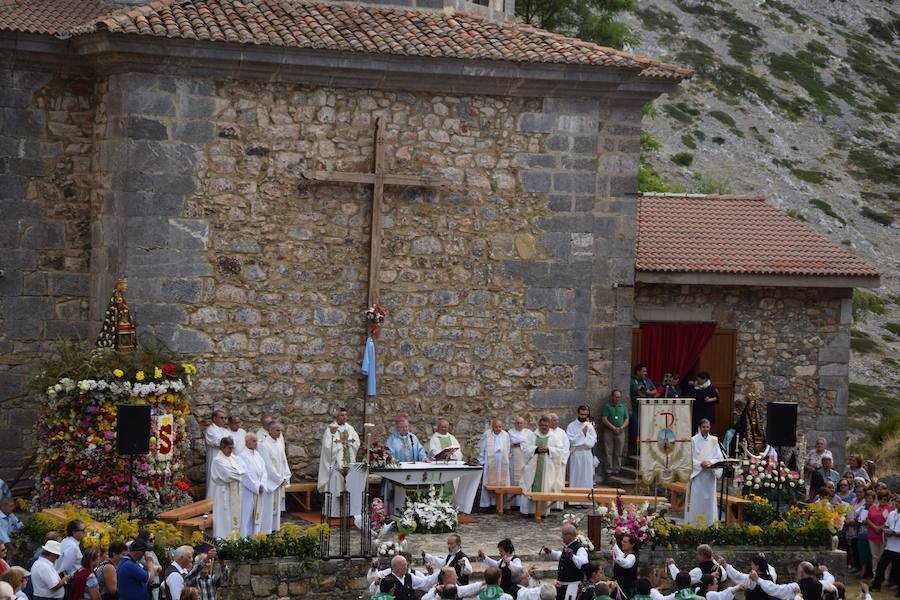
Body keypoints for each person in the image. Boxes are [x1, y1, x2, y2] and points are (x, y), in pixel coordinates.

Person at [317, 408, 361, 518]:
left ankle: (348, 512)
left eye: (346, 415)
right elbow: (328, 447)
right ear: (336, 417)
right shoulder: (331, 430)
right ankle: (334, 512)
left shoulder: (350, 428)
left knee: (349, 485)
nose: (344, 417)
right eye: (342, 415)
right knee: (336, 485)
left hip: (348, 462)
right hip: (336, 465)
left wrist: (349, 443)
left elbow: (356, 442)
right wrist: (340, 445)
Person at [519, 416, 565, 517]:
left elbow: (560, 450)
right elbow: (525, 449)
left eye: (546, 425)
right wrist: (536, 449)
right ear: (538, 425)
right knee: (530, 485)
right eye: (542, 425)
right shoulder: (532, 436)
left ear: (549, 426)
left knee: (545, 487)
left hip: (547, 469)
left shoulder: (553, 437)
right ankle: (528, 511)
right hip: (532, 468)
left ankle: (542, 512)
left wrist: (548, 449)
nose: (544, 427)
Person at [686, 420, 724, 526]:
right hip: (698, 475)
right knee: (697, 502)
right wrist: (700, 464)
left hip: (709, 476)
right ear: (699, 427)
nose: (706, 429)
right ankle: (695, 525)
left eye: (708, 427)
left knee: (709, 503)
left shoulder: (714, 440)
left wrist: (710, 462)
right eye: (704, 427)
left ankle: (709, 525)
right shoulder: (693, 440)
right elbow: (688, 458)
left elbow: (718, 457)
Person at [210, 436, 246, 539]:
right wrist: (239, 473)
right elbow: (228, 475)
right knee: (225, 517)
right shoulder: (218, 460)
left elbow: (244, 468)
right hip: (224, 492)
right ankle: (224, 540)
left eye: (232, 448)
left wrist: (238, 473)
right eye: (229, 448)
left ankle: (234, 540)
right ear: (222, 447)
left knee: (234, 516)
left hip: (234, 491)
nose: (231, 450)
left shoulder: (233, 457)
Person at [260, 420, 291, 534]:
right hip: (270, 482)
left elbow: (284, 461)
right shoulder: (264, 445)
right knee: (268, 506)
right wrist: (279, 479)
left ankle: (274, 528)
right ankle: (266, 530)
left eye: (281, 430)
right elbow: (267, 465)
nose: (279, 433)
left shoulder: (279, 443)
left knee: (276, 507)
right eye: (277, 430)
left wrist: (286, 476)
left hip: (278, 481)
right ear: (270, 430)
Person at [542, 523, 587, 600]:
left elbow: (584, 564)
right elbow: (562, 556)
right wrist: (551, 552)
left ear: (570, 535)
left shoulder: (580, 549)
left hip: (573, 585)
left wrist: (572, 556)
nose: (562, 537)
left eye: (564, 534)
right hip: (562, 585)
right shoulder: (567, 546)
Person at [747, 562, 833, 600]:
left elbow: (774, 589)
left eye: (798, 572)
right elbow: (830, 581)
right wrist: (825, 571)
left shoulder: (795, 588)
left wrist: (758, 579)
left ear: (802, 573)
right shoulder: (820, 584)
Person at [870, 493, 900, 594]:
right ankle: (876, 586)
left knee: (897, 570)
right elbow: (887, 525)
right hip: (889, 546)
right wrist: (886, 531)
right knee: (881, 565)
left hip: (899, 547)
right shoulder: (892, 513)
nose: (898, 503)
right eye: (897, 501)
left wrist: (895, 533)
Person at [239, 433, 267, 537]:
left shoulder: (258, 455)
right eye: (254, 441)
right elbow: (245, 473)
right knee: (247, 514)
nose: (256, 443)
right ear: (247, 442)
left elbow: (264, 471)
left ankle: (255, 536)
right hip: (248, 491)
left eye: (256, 441)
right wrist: (256, 486)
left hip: (259, 489)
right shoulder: (242, 455)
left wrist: (262, 484)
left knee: (257, 514)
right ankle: (244, 537)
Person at [479, 419, 511, 509]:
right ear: (492, 427)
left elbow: (508, 447)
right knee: (489, 481)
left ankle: (502, 504)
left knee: (502, 483)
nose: (498, 428)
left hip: (502, 462)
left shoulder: (505, 435)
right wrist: (482, 460)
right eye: (496, 427)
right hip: (490, 461)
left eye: (500, 427)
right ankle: (488, 504)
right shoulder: (487, 434)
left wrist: (506, 457)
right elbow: (482, 447)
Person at [566, 406, 596, 496]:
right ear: (578, 413)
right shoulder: (571, 426)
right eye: (582, 414)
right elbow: (571, 440)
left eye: (585, 415)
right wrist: (581, 434)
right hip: (576, 453)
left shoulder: (589, 426)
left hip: (586, 453)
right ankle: (574, 500)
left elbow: (593, 440)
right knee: (576, 476)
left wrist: (586, 434)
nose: (583, 416)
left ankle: (586, 500)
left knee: (587, 477)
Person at [601, 390, 628, 477]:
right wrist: (613, 428)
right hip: (609, 431)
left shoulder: (623, 407)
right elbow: (604, 418)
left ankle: (617, 469)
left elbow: (626, 419)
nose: (618, 399)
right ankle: (609, 469)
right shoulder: (608, 406)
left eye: (619, 397)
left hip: (620, 431)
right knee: (608, 450)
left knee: (618, 451)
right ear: (612, 397)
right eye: (616, 397)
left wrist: (621, 427)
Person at [204, 409, 230, 499]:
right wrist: (228, 442)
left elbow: (231, 442)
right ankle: (211, 505)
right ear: (214, 418)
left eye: (225, 418)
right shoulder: (211, 430)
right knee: (214, 484)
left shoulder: (225, 431)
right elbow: (219, 442)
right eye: (221, 418)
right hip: (215, 460)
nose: (224, 420)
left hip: (225, 461)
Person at [630, 364, 657, 447]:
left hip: (647, 410)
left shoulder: (647, 380)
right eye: (643, 371)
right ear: (638, 372)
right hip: (635, 409)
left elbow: (655, 391)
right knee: (636, 427)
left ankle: (646, 447)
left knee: (648, 428)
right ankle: (634, 447)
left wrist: (649, 392)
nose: (645, 373)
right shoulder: (631, 381)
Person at [548, 414, 570, 500]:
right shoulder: (546, 432)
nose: (556, 422)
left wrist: (562, 460)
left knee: (559, 482)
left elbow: (566, 447)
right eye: (554, 420)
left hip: (559, 462)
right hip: (549, 461)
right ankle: (549, 501)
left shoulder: (562, 432)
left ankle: (558, 504)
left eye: (557, 420)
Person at [611, 533, 639, 598]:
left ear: (632, 545)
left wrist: (615, 559)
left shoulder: (632, 557)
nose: (622, 543)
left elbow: (626, 563)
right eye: (622, 541)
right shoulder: (624, 555)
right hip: (618, 588)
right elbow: (619, 553)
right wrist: (614, 545)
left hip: (626, 591)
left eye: (625, 542)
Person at [508, 417, 531, 489]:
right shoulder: (510, 432)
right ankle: (512, 498)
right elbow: (509, 442)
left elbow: (529, 444)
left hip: (524, 458)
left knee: (523, 477)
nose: (519, 424)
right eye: (517, 423)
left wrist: (519, 443)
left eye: (521, 423)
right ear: (514, 424)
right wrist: (522, 441)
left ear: (524, 424)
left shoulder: (528, 432)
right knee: (513, 477)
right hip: (513, 458)